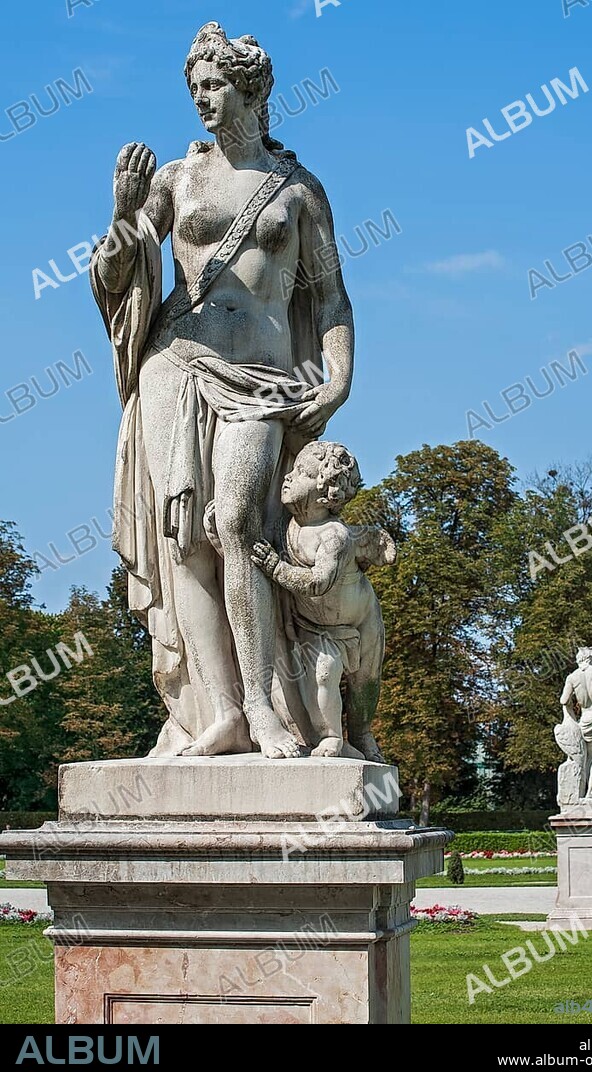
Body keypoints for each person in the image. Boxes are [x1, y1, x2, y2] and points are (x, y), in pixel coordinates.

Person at [90, 23, 354, 759]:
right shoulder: (177, 179)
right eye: (194, 87)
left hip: (263, 379)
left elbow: (330, 299)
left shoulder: (298, 190)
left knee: (236, 524)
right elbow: (123, 277)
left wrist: (337, 377)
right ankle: (221, 711)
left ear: (252, 89)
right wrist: (120, 213)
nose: (202, 99)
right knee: (184, 547)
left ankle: (266, 708)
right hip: (175, 362)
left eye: (213, 85)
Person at [247, 442, 395, 760]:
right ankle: (331, 737)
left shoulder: (334, 536)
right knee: (324, 674)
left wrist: (276, 567)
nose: (288, 477)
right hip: (314, 626)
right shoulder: (286, 527)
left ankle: (362, 734)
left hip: (361, 624)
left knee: (364, 686)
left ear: (324, 490)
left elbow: (317, 582)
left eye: (300, 472)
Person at [560, 647, 592, 799]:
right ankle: (591, 792)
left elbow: (563, 700)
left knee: (586, 758)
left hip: (585, 719)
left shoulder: (572, 677)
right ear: (591, 658)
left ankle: (581, 793)